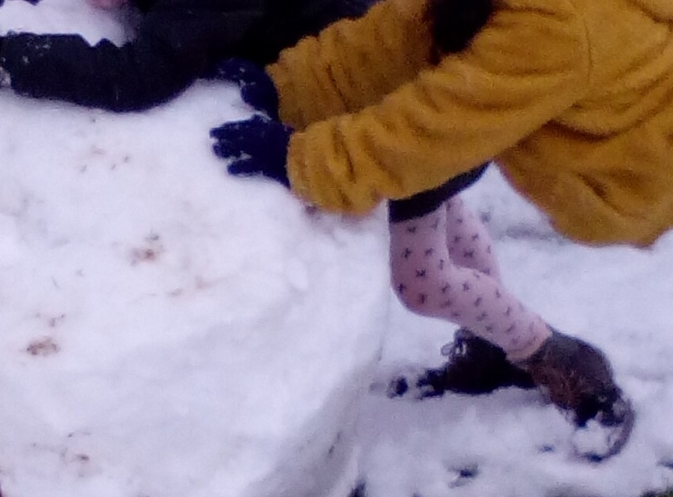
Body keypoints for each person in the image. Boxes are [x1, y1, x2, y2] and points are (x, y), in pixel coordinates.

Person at [209, 0, 662, 458]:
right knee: (440, 225)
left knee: (421, 283)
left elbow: (434, 130)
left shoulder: (558, 31)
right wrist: (288, 85)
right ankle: (491, 347)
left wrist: (305, 162)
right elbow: (399, 34)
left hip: (622, 170)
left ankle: (563, 361)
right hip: (471, 117)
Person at [0, 0, 374, 113]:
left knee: (418, 281)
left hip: (376, 93)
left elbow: (137, 77)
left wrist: (6, 57)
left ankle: (449, 339)